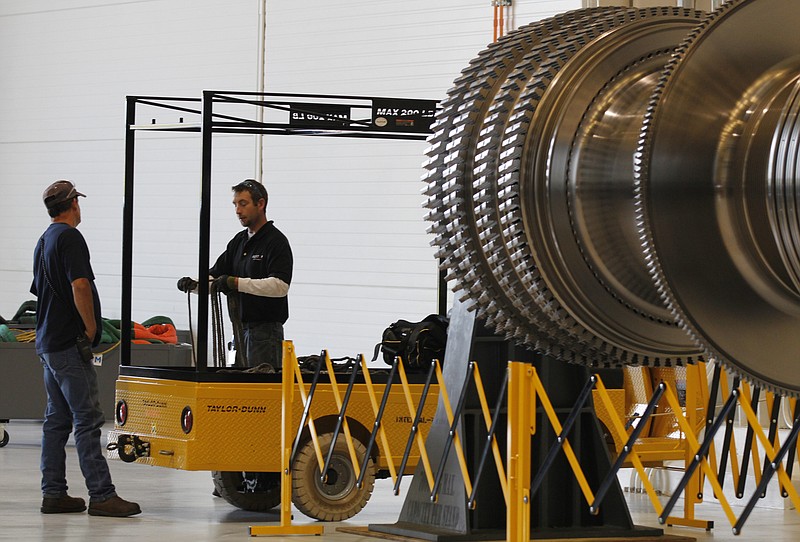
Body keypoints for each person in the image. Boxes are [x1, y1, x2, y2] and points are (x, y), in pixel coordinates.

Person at [31, 180, 141, 517]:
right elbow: (80, 284)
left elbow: (40, 292)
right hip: (67, 343)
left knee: (56, 421)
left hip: (48, 342)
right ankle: (102, 494)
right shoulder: (70, 238)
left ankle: (54, 494)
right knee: (87, 419)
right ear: (73, 204)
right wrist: (91, 328)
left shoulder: (44, 239)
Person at [178, 179, 293, 368]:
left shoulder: (276, 241)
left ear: (261, 204)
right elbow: (216, 277)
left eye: (243, 204)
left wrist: (236, 283)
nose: (238, 210)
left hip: (265, 334)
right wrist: (194, 284)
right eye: (235, 204)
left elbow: (279, 286)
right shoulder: (238, 242)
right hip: (239, 330)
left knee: (259, 392)